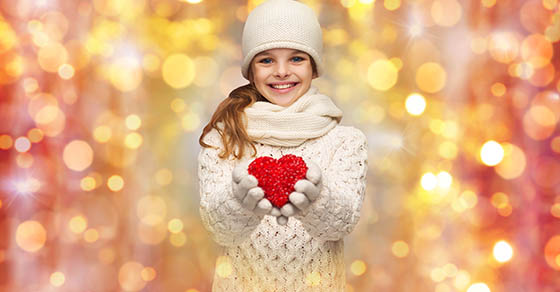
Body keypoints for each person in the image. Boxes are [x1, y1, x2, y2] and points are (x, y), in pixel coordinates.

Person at [197, 0, 368, 290]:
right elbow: (218, 229)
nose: (281, 71)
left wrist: (317, 197)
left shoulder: (345, 141)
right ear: (250, 70)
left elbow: (342, 223)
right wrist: (238, 198)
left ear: (314, 67)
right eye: (266, 60)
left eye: (296, 59)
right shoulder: (224, 139)